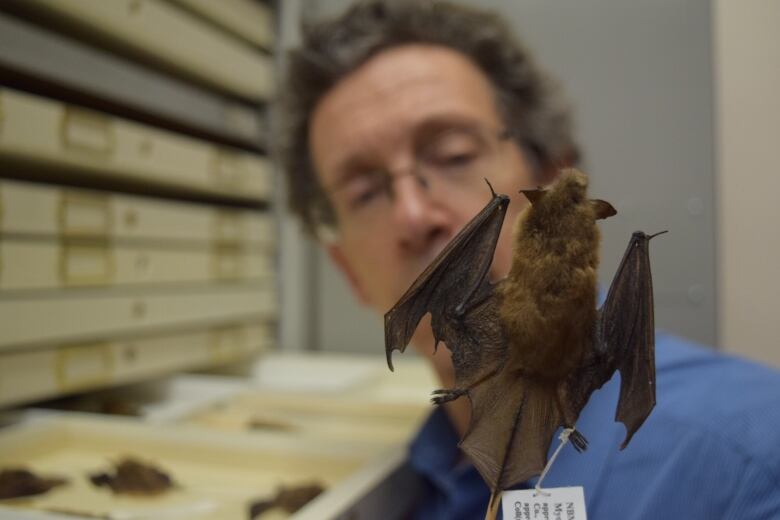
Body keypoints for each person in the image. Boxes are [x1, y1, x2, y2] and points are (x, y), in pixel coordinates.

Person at [277, 2, 780, 519]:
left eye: (453, 155)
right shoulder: (422, 484)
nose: (413, 215)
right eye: (365, 193)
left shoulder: (753, 467)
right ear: (348, 272)